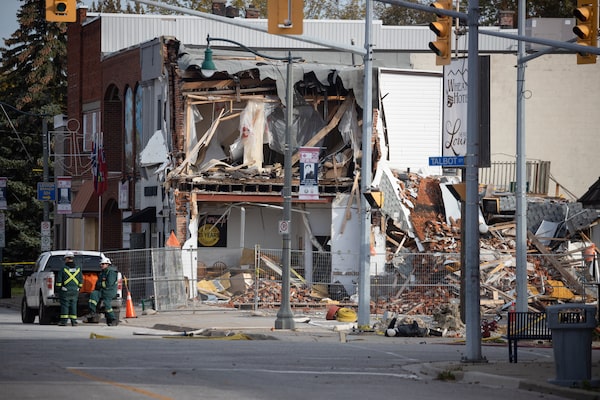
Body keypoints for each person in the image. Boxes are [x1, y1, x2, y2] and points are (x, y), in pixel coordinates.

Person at [88, 256, 119, 326]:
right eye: (101, 264)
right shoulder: (102, 272)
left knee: (107, 304)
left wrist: (100, 284)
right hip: (102, 290)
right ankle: (92, 312)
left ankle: (113, 319)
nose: (101, 265)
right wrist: (99, 285)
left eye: (103, 264)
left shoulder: (111, 272)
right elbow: (98, 283)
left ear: (107, 264)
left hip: (109, 292)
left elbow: (109, 284)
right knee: (93, 294)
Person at [56, 251, 83, 326]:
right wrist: (79, 287)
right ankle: (74, 321)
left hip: (66, 290)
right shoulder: (78, 268)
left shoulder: (63, 268)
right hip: (75, 290)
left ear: (67, 259)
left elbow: (59, 281)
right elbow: (81, 279)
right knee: (73, 305)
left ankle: (63, 321)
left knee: (65, 305)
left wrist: (58, 289)